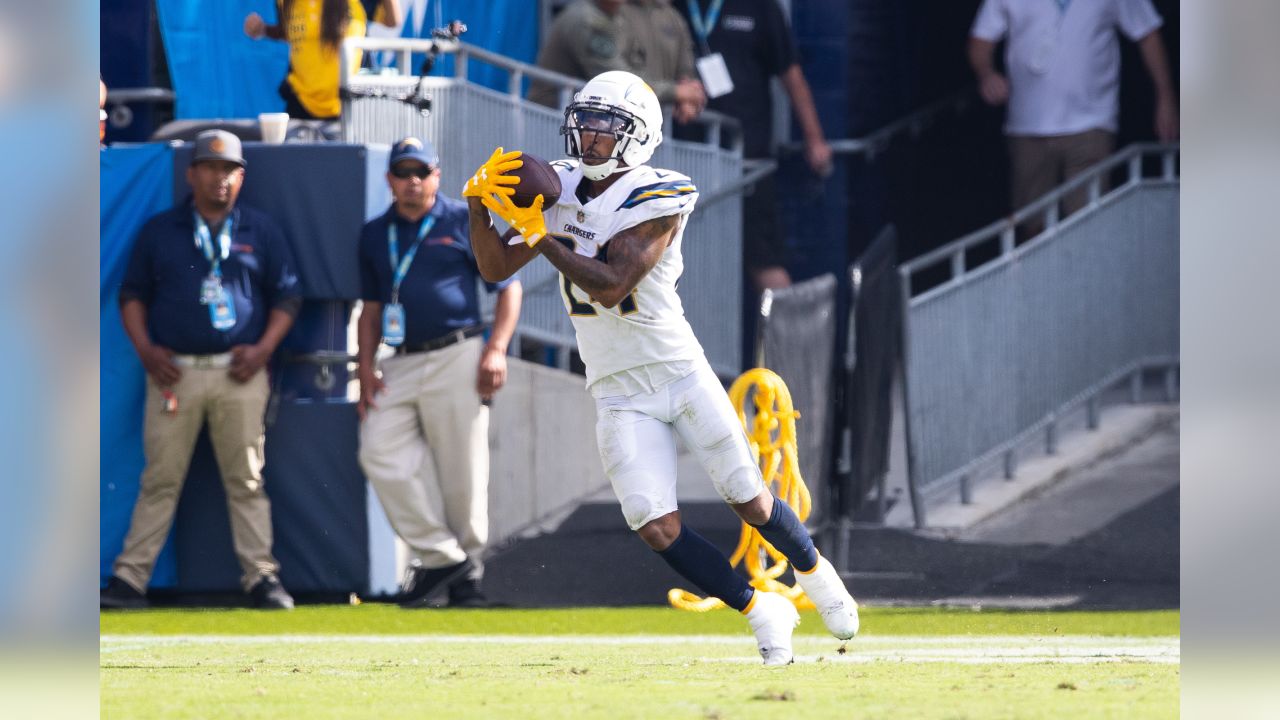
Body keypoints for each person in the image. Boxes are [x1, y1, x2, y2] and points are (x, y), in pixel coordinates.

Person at [462, 71, 857, 664]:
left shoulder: (660, 194)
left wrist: (540, 235)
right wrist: (478, 208)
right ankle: (758, 609)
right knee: (653, 524)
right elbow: (495, 268)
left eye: (605, 129)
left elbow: (611, 281)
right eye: (585, 125)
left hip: (677, 369)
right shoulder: (560, 185)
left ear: (638, 136)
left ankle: (817, 573)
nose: (589, 139)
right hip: (616, 387)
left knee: (747, 497)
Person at [101, 130, 301, 610]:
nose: (220, 178)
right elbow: (132, 297)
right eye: (211, 168)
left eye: (229, 169)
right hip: (177, 373)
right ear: (191, 174)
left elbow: (288, 298)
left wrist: (263, 349)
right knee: (160, 479)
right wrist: (147, 349)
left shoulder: (260, 230)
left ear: (242, 177)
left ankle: (262, 577)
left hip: (240, 372)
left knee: (247, 478)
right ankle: (131, 579)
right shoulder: (160, 230)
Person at [356, 137, 522, 609]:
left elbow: (507, 289)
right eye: (403, 172)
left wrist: (496, 349)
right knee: (378, 453)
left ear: (437, 175)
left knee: (462, 472)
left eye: (421, 172)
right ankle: (441, 556)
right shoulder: (374, 233)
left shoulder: (462, 219)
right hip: (400, 359)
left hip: (458, 352)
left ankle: (468, 580)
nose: (413, 181)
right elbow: (370, 310)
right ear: (389, 179)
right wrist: (365, 368)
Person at [968, 0, 1179, 230]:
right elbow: (980, 40)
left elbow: (1147, 32)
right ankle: (1042, 267)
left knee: (1086, 222)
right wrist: (986, 73)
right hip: (1027, 127)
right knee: (1032, 227)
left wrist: (1165, 97)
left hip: (1092, 123)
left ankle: (1088, 264)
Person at [674, 0, 833, 294]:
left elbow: (792, 75)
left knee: (764, 261)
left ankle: (789, 340)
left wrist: (815, 139)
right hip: (684, 159)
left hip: (748, 162)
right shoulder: (674, 6)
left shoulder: (761, 7)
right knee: (683, 262)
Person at [528, 0, 706, 121]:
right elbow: (619, 79)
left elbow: (636, 68)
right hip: (555, 124)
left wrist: (686, 93)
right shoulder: (587, 19)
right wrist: (677, 92)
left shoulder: (612, 16)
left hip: (586, 124)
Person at [244, 0, 402, 120]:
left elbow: (392, 20)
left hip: (349, 104)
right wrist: (263, 30)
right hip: (300, 101)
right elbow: (292, 31)